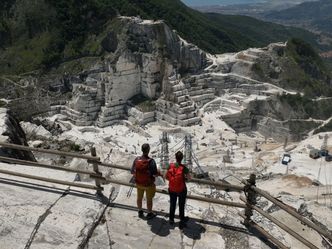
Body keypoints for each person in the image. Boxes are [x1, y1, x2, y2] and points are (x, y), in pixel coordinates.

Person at [131, 143, 161, 219]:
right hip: (148, 184)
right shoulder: (151, 161)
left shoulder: (137, 159)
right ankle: (149, 213)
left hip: (139, 183)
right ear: (148, 150)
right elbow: (154, 173)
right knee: (149, 199)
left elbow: (132, 171)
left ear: (141, 150)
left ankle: (140, 211)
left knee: (139, 198)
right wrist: (159, 173)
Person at [166, 151, 191, 229]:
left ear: (175, 157)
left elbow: (166, 176)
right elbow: (189, 178)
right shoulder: (184, 168)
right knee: (181, 204)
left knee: (172, 204)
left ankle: (171, 219)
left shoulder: (170, 166)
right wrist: (185, 179)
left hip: (172, 189)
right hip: (181, 189)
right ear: (182, 158)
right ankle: (182, 219)